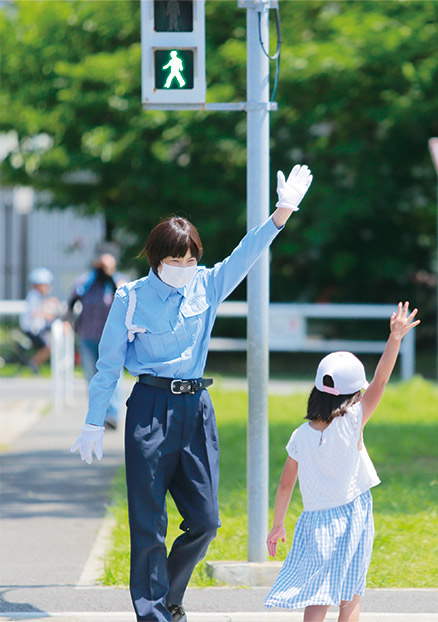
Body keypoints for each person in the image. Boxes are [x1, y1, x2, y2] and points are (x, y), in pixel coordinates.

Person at [70, 164, 313, 622]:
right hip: (149, 408)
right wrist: (92, 420)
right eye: (174, 261)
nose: (184, 269)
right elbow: (107, 364)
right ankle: (154, 613)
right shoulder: (131, 297)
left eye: (190, 260)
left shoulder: (208, 284)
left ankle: (169, 595)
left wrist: (282, 212)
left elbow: (246, 253)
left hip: (196, 408)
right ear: (155, 259)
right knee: (148, 522)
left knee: (205, 521)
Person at [264, 302, 420, 622]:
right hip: (354, 514)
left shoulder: (300, 436)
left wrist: (278, 524)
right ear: (355, 394)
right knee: (350, 594)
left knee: (317, 594)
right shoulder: (353, 421)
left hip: (314, 522)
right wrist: (395, 339)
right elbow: (381, 381)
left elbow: (284, 485)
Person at [68, 251, 127, 429]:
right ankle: (97, 414)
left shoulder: (119, 280)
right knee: (92, 377)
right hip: (88, 336)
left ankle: (112, 415)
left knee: (113, 376)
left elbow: (124, 298)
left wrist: (109, 276)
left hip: (112, 340)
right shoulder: (86, 281)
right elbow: (72, 300)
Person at [19, 267, 59, 373]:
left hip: (36, 327)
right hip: (33, 329)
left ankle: (34, 362)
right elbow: (35, 311)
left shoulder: (36, 296)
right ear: (39, 285)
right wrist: (48, 314)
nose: (48, 287)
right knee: (48, 348)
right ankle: (33, 363)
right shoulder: (33, 295)